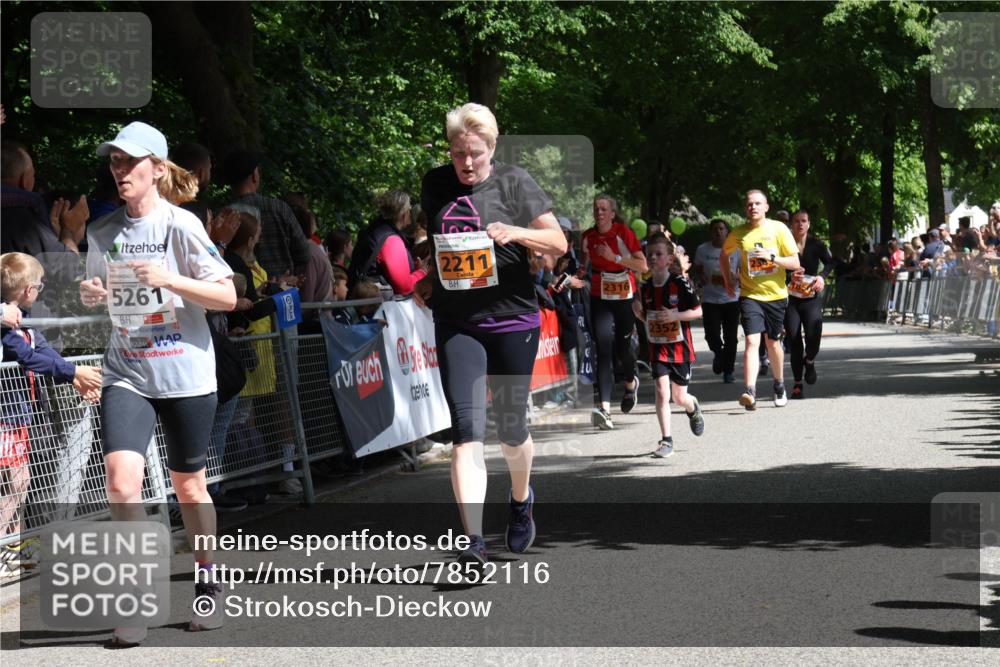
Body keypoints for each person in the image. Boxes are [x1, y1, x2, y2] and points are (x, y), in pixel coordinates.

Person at [78, 121, 237, 644]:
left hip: (186, 373)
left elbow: (228, 297)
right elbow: (111, 302)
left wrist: (171, 279)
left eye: (130, 162)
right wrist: (93, 295)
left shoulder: (182, 225)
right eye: (115, 163)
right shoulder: (101, 232)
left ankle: (208, 583)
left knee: (188, 486)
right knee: (122, 483)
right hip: (128, 372)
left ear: (157, 170)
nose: (120, 171)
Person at [417, 102, 566, 566]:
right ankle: (473, 543)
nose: (465, 163)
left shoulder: (514, 181)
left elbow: (558, 243)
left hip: (511, 320)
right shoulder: (435, 183)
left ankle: (521, 500)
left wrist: (516, 232)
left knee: (511, 430)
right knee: (465, 433)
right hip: (457, 322)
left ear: (492, 148)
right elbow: (442, 243)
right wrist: (428, 276)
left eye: (475, 153)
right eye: (458, 152)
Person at [1, 253, 102, 577]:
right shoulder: (7, 327)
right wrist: (73, 371)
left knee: (22, 481)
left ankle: (16, 546)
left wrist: (75, 374)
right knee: (14, 484)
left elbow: (42, 351)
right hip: (6, 416)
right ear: (29, 289)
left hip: (21, 416)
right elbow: (28, 357)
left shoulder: (25, 321)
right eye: (40, 286)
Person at [720, 189, 800, 410]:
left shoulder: (779, 229)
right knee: (752, 341)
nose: (752, 207)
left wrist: (772, 258)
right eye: (749, 204)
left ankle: (779, 384)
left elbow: (794, 262)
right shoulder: (738, 233)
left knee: (772, 343)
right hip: (750, 295)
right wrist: (728, 280)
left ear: (766, 207)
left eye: (757, 203)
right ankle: (750, 391)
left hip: (776, 295)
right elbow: (724, 255)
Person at [633, 237, 704, 458]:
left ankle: (693, 408)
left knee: (679, 398)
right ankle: (666, 440)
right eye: (650, 254)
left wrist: (676, 315)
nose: (653, 258)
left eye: (658, 254)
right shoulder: (645, 289)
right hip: (657, 349)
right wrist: (639, 313)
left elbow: (698, 311)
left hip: (680, 349)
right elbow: (648, 316)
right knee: (662, 392)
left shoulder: (679, 284)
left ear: (669, 259)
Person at [581, 194, 648, 429]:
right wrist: (574, 278)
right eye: (596, 209)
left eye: (604, 209)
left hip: (623, 296)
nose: (599, 213)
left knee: (622, 349)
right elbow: (583, 268)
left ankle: (631, 383)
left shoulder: (623, 233)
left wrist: (616, 257)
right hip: (600, 297)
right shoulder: (588, 237)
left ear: (612, 213)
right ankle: (605, 409)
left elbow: (642, 266)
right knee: (603, 348)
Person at [223, 149, 312, 281]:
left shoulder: (223, 215)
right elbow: (304, 254)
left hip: (239, 293)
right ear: (255, 175)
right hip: (282, 293)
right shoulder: (280, 208)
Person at [783, 210, 833, 399]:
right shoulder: (784, 244)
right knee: (794, 339)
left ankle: (810, 360)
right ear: (791, 224)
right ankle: (797, 383)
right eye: (796, 221)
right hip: (791, 299)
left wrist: (822, 277)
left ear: (809, 224)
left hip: (811, 297)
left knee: (814, 336)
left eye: (803, 221)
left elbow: (830, 262)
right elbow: (776, 267)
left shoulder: (816, 244)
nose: (800, 225)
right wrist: (789, 276)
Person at [347, 189, 427, 296]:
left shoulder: (375, 230)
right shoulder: (391, 240)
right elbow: (404, 287)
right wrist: (421, 272)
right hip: (376, 308)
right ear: (403, 214)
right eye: (409, 209)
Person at [693, 219, 740, 383]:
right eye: (715, 229)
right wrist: (702, 278)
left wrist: (735, 278)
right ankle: (719, 354)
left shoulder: (735, 249)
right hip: (710, 298)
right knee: (711, 334)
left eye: (721, 228)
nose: (718, 232)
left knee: (731, 337)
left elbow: (743, 272)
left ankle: (729, 370)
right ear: (710, 232)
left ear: (727, 232)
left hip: (731, 297)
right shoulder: (702, 249)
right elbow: (697, 270)